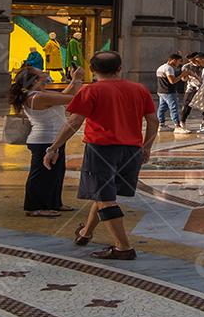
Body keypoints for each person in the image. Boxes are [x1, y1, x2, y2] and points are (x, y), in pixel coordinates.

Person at [44, 50, 157, 260]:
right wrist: (146, 147)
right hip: (131, 150)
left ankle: (123, 247)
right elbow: (153, 120)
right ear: (120, 67)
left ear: (92, 69)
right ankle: (85, 233)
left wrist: (54, 147)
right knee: (104, 193)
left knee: (105, 198)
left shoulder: (91, 90)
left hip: (101, 149)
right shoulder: (139, 89)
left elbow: (75, 121)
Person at [11, 63, 83, 215]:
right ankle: (34, 207)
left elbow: (63, 95)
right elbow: (72, 99)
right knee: (42, 175)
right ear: (35, 80)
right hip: (44, 140)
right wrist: (77, 80)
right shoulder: (38, 97)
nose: (45, 73)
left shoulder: (39, 94)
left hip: (53, 138)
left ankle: (54, 203)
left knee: (55, 173)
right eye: (41, 73)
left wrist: (74, 80)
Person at [175, 52, 204, 135]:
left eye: (193, 60)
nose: (192, 62)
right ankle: (182, 121)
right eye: (190, 60)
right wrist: (185, 76)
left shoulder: (203, 65)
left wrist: (195, 76)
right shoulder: (187, 66)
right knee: (187, 104)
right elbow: (184, 79)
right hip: (191, 87)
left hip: (202, 87)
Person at [154, 52, 184, 131]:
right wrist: (182, 75)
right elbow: (172, 81)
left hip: (161, 91)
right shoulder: (169, 68)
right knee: (174, 108)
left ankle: (161, 124)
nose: (179, 63)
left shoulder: (161, 67)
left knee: (162, 108)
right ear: (173, 60)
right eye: (179, 61)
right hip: (168, 91)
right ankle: (177, 125)